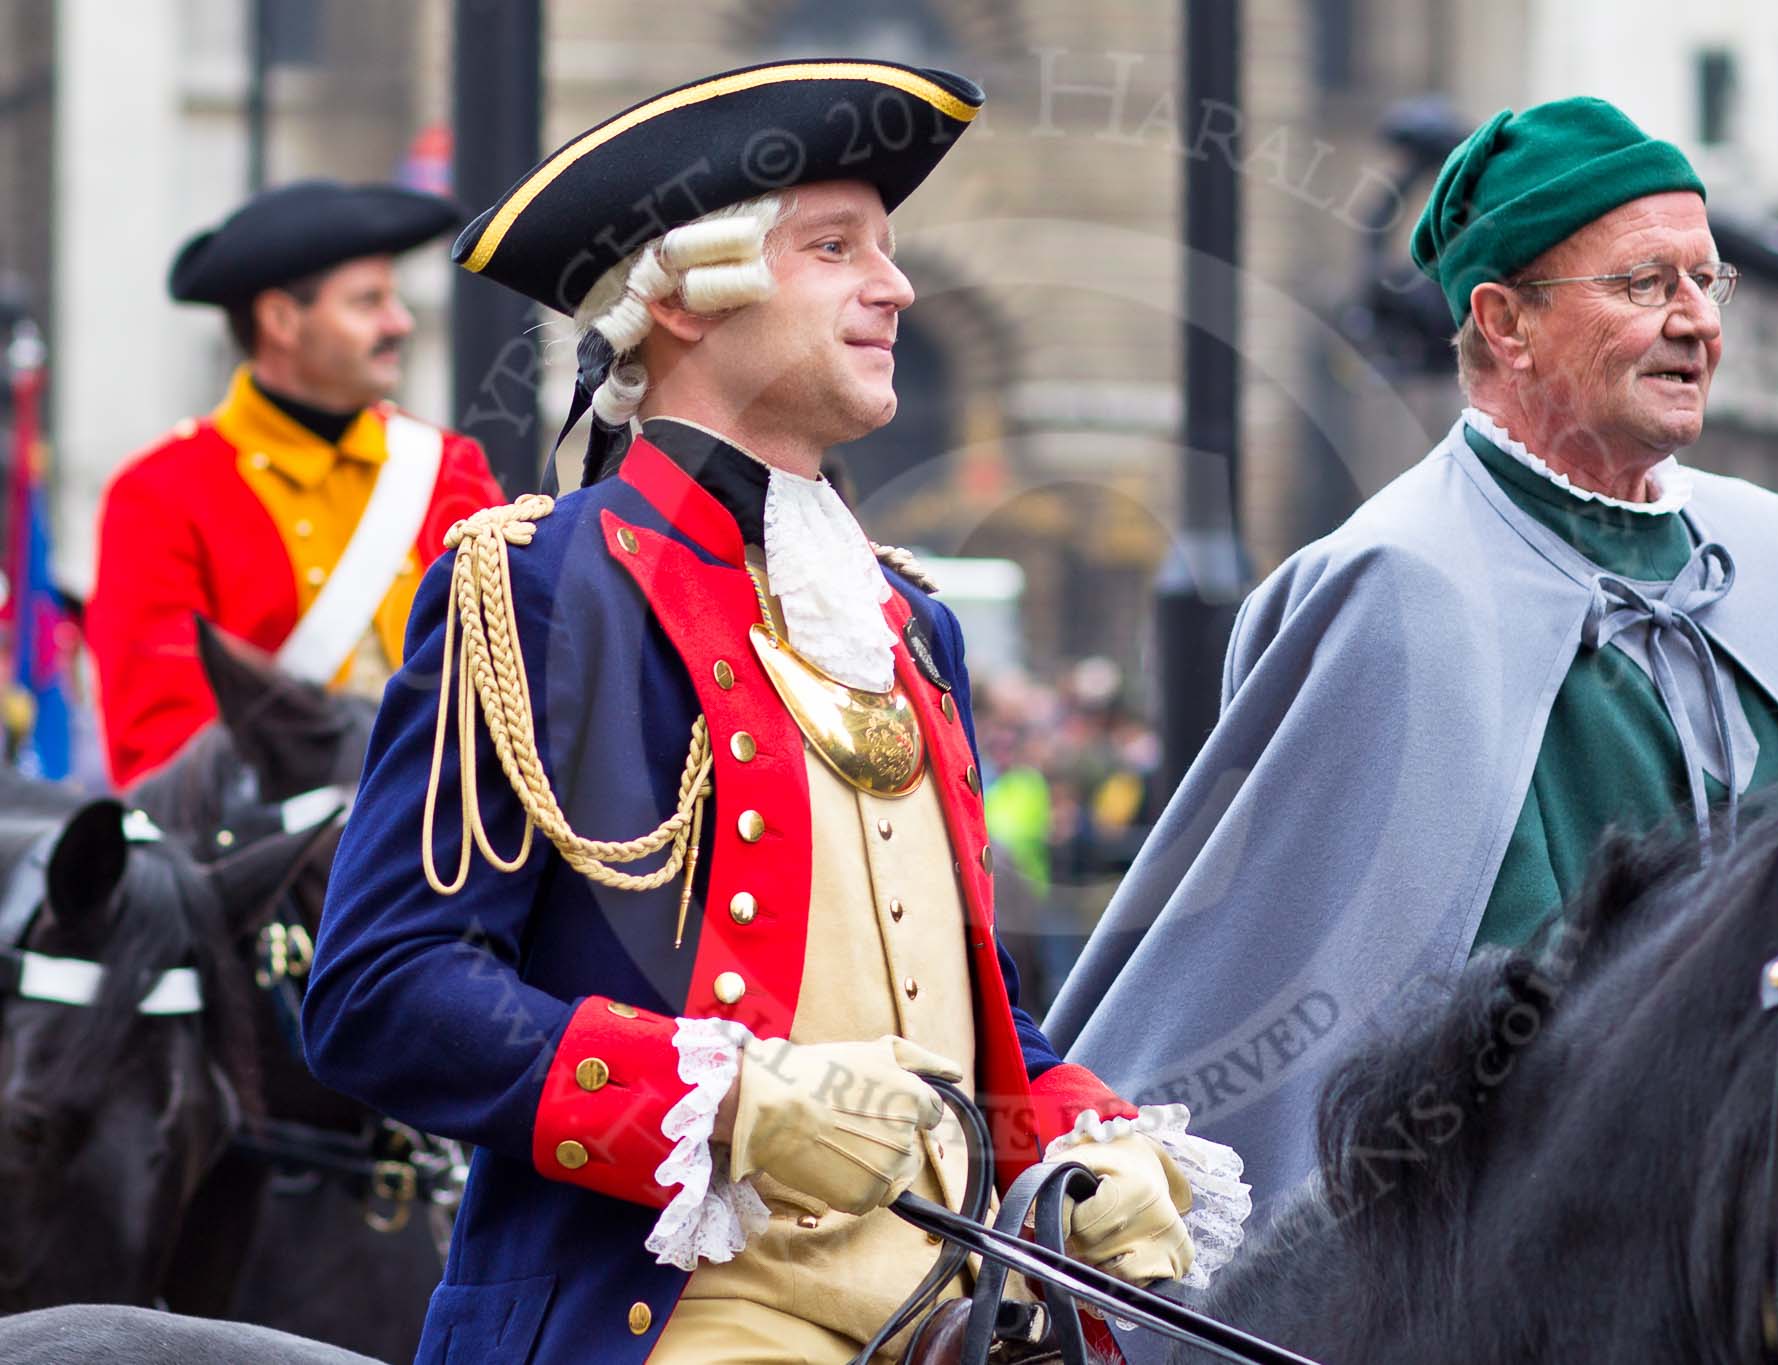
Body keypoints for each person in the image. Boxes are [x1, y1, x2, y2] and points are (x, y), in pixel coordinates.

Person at [301, 60, 1246, 1365]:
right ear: (687, 299)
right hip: (679, 1315)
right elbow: (380, 992)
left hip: (954, 1307)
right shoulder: (535, 586)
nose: (896, 286)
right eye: (835, 247)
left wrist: (1085, 1134)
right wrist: (732, 1098)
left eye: (889, 249)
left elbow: (960, 1012)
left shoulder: (914, 625)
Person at [1046, 97, 1778, 1220]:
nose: (1693, 321)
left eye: (1703, 281)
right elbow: (1362, 1009)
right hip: (1564, 1229)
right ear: (1504, 323)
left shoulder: (1775, 549)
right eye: (1640, 284)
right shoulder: (1393, 585)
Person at [85, 180, 505, 788]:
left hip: (452, 835)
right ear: (281, 319)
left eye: (394, 299)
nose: (400, 323)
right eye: (368, 303)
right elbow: (164, 754)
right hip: (273, 862)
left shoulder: (448, 466)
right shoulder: (159, 494)